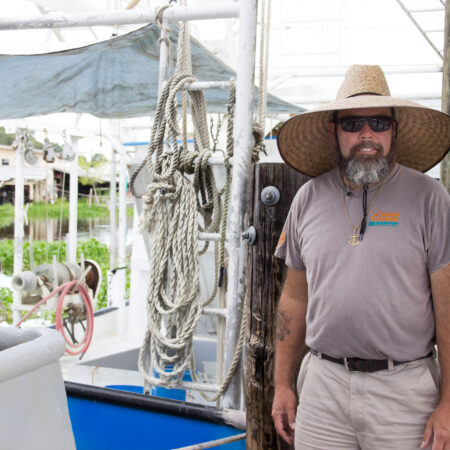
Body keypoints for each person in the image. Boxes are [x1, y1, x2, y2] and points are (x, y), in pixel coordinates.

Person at [272, 65, 450, 449]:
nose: (366, 133)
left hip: (405, 392)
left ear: (394, 131)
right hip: (323, 388)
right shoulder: (307, 199)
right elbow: (294, 298)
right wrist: (282, 385)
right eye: (353, 123)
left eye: (378, 122)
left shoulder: (430, 199)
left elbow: (448, 305)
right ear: (333, 131)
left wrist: (449, 404)